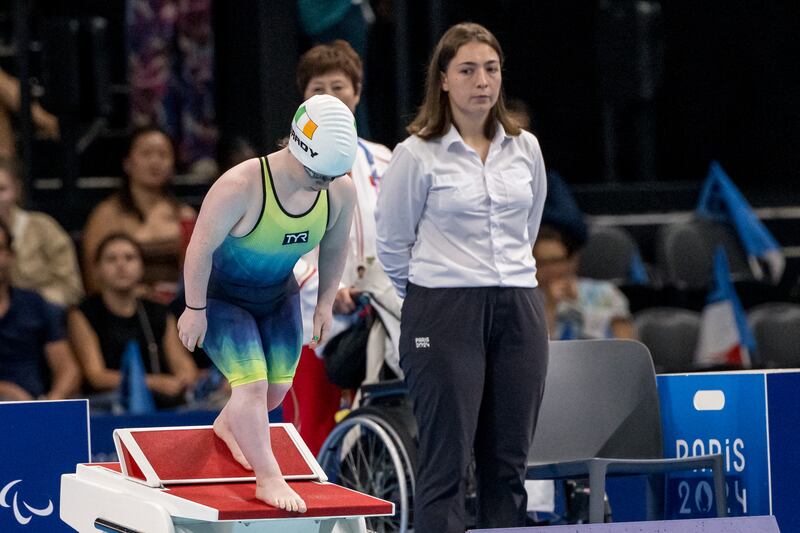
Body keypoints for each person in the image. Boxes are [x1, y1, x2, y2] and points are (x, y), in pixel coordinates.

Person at [375, 22, 550, 532]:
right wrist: (435, 297)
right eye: (468, 70)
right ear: (444, 80)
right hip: (443, 308)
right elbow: (392, 245)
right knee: (446, 467)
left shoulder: (526, 149)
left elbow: (529, 227)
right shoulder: (416, 154)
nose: (482, 81)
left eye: (491, 69)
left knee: (508, 467)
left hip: (517, 305)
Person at [177, 94, 357, 512]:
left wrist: (324, 304)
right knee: (252, 386)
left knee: (274, 393)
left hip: (278, 296)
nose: (324, 184)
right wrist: (194, 308)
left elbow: (334, 247)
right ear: (299, 147)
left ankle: (229, 424)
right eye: (319, 174)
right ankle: (267, 477)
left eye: (333, 176)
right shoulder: (240, 186)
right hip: (223, 300)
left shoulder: (338, 191)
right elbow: (199, 249)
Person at [283, 39, 395, 454]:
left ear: (358, 93)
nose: (329, 97)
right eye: (317, 89)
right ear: (302, 100)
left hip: (380, 318)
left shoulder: (385, 161)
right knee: (310, 433)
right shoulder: (285, 168)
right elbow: (276, 246)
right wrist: (326, 292)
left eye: (339, 87)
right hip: (308, 322)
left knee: (378, 429)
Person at [68, 233, 198, 410]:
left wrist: (182, 379)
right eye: (111, 259)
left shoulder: (158, 311)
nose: (121, 265)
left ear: (142, 267)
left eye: (129, 258)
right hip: (109, 404)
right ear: (97, 269)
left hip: (161, 403)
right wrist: (154, 383)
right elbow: (96, 376)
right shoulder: (83, 313)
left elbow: (185, 367)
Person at [82, 125, 197, 300]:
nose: (155, 161)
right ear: (127, 163)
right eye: (146, 154)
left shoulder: (185, 215)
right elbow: (93, 278)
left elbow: (201, 274)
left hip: (178, 308)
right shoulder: (106, 214)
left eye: (163, 155)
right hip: (124, 307)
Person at [0, 218, 81, 401]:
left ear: (11, 255)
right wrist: (6, 391)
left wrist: (52, 401)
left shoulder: (35, 304)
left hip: (33, 407)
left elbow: (68, 369)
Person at [0, 158, 83, 307]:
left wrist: (30, 304)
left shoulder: (44, 228)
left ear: (17, 190)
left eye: (2, 189)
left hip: (40, 318)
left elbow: (72, 288)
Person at [534, 225, 635, 340]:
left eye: (556, 261)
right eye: (542, 263)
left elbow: (628, 343)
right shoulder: (526, 301)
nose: (550, 269)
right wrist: (550, 306)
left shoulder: (605, 292)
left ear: (571, 261)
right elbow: (536, 349)